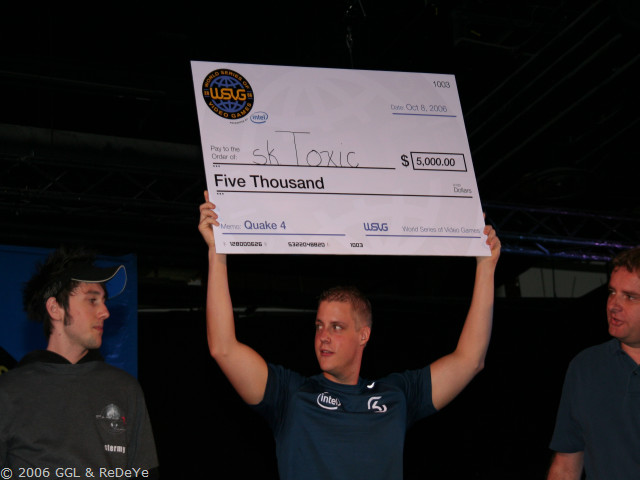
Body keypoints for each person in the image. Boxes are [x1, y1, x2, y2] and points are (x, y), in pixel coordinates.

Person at [198, 191, 501, 479]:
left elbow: (470, 360)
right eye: (319, 326)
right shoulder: (290, 396)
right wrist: (217, 253)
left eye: (336, 327)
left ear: (363, 335)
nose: (323, 336)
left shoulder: (397, 395)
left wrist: (486, 268)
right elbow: (223, 348)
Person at [0, 247, 159, 479]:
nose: (105, 311)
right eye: (92, 300)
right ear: (55, 308)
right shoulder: (9, 391)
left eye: (104, 301)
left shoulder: (124, 388)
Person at [547, 246, 640, 480]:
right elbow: (566, 465)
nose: (613, 304)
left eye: (630, 297)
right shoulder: (586, 367)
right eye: (612, 292)